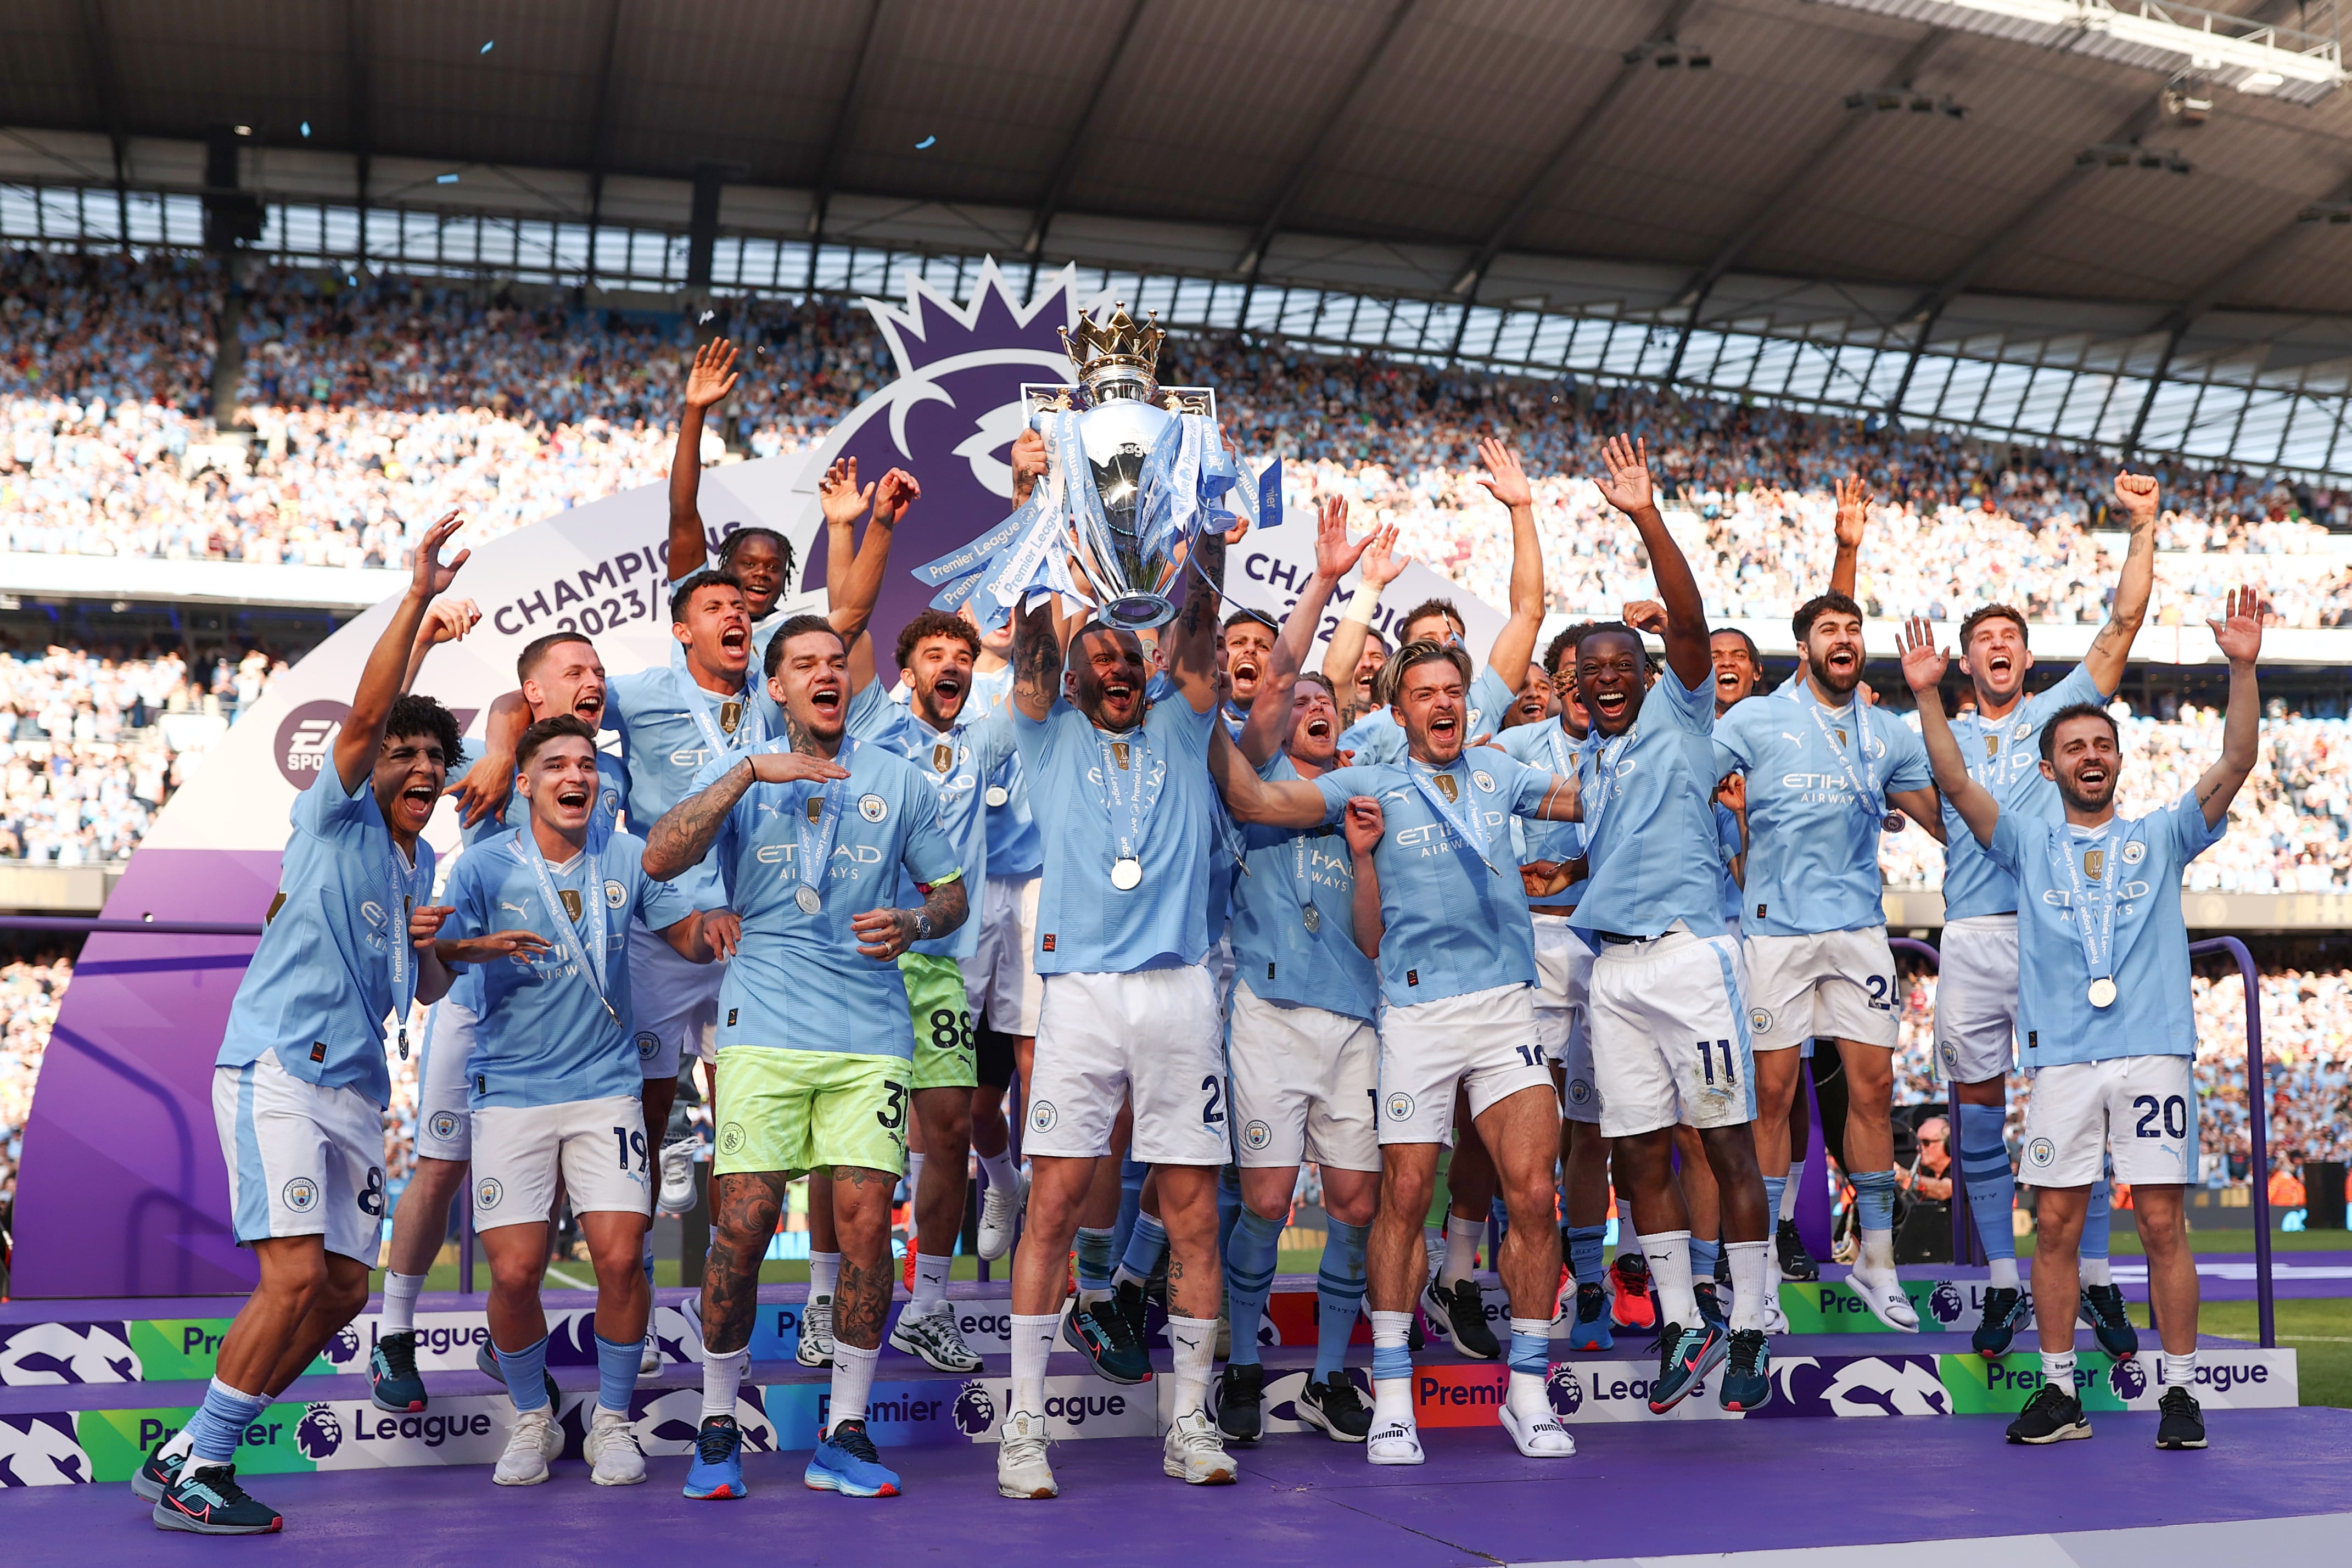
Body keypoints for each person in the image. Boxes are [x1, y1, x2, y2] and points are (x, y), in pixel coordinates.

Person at [147, 513, 471, 1535]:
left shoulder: (420, 861)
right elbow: (373, 716)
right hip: (280, 1069)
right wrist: (415, 603)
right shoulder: (336, 813)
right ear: (370, 768)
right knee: (290, 1277)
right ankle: (203, 1467)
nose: (419, 768)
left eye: (436, 758)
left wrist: (444, 949)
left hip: (357, 1090)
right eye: (402, 757)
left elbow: (423, 990)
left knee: (337, 1292)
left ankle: (189, 1447)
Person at [1212, 629, 1586, 1464]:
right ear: (1399, 711)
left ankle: (1528, 1393)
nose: (1443, 704)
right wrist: (1200, 708)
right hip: (1415, 1015)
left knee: (1533, 1194)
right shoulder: (1368, 783)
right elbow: (1255, 802)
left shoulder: (1500, 773)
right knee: (1404, 1197)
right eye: (1424, 694)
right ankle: (1389, 1397)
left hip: (1506, 1007)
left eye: (1453, 691)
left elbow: (1594, 798)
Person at [1900, 587, 2262, 1452]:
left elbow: (2238, 758)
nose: (2090, 757)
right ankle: (2061, 1392)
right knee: (2056, 1227)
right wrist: (1925, 695)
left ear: (2119, 762)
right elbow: (1955, 782)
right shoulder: (2027, 844)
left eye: (2102, 746)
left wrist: (2243, 669)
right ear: (2049, 769)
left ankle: (2180, 1393)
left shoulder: (2164, 833)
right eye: (2073, 748)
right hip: (2062, 1058)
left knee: (2163, 1224)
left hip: (2153, 1054)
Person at [643, 615, 967, 1502]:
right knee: (744, 1224)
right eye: (805, 664)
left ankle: (846, 1433)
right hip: (763, 1026)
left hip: (870, 1034)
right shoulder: (740, 770)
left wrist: (913, 922)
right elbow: (661, 855)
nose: (827, 672)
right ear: (777, 687)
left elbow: (950, 896)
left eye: (837, 662)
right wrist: (750, 772)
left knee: (866, 1228)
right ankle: (717, 1423)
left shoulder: (898, 779)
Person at [993, 502, 1237, 1499]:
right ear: (1072, 675)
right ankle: (1023, 1426)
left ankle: (1189, 1421)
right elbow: (1029, 648)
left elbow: (1199, 630)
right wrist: (1045, 520)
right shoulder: (1045, 734)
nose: (1119, 666)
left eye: (1130, 654)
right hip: (1082, 995)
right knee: (1052, 1203)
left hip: (1180, 989)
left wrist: (1207, 535)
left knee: (1193, 1215)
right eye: (1099, 655)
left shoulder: (1183, 721)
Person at [434, 715, 729, 1487]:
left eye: (587, 765)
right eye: (558, 765)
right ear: (525, 784)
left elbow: (684, 934)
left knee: (623, 1258)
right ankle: (534, 1417)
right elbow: (435, 968)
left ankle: (614, 1422)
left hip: (606, 1090)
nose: (576, 776)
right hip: (512, 1091)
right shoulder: (483, 867)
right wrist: (466, 948)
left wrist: (715, 926)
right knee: (515, 1275)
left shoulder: (627, 855)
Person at [1564, 436, 1773, 1416]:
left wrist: (1645, 514)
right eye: (1590, 671)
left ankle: (1751, 1324)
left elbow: (1687, 621)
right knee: (1636, 1154)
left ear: (1649, 677)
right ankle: (1685, 1323)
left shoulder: (1683, 717)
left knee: (1725, 1145)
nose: (1606, 679)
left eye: (1621, 666)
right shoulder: (1592, 761)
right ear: (1576, 687)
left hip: (1691, 959)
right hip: (1611, 974)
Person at [1931, 473, 2160, 1359]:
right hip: (1968, 934)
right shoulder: (1935, 731)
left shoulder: (2060, 715)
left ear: (2026, 659)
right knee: (1978, 1111)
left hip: (2052, 932)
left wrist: (2141, 527)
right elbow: (1916, 802)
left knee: (2075, 1104)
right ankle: (2003, 1283)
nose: (1997, 647)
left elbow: (2121, 625)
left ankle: (2095, 1278)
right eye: (1982, 640)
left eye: (2009, 639)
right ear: (1965, 662)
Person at [374, 629, 631, 1413]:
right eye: (574, 671)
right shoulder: (497, 761)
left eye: (599, 670)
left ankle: (507, 1338)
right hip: (478, 1001)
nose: (594, 680)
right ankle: (393, 1333)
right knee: (440, 1165)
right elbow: (499, 707)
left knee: (541, 1189)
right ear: (533, 695)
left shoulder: (608, 769)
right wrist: (495, 742)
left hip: (568, 1017)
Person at [1711, 575, 1944, 1334]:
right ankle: (1760, 1276)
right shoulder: (1755, 718)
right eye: (1829, 630)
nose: (1843, 640)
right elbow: (1688, 785)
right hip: (1775, 932)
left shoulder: (1888, 732)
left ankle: (1877, 1259)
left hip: (1858, 930)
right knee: (1773, 1095)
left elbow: (1942, 820)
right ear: (1803, 647)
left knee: (1873, 1090)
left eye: (1853, 629)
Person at [1215, 498, 1391, 1445]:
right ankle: (1243, 1363)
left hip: (1354, 1019)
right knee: (1266, 1202)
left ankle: (1327, 1377)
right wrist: (1325, 581)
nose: (1315, 708)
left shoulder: (1365, 800)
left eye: (1330, 703)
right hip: (1270, 1015)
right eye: (1302, 704)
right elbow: (1282, 675)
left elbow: (1373, 938)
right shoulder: (1250, 783)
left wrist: (1364, 858)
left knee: (1356, 1205)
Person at [845, 608, 1017, 1374]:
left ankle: (929, 1307)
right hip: (863, 961)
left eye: (962, 656)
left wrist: (1046, 566)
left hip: (942, 960)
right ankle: (825, 1299)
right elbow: (851, 621)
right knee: (853, 1143)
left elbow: (1039, 685)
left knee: (949, 1133)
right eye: (934, 654)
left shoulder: (983, 739)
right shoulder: (874, 726)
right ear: (906, 671)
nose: (951, 665)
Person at [1496, 626, 1610, 1348]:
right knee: (1535, 1127)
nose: (1577, 685)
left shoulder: (1626, 745)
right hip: (1534, 941)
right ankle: (1538, 1279)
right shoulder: (1515, 747)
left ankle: (1591, 1276)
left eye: (1588, 674)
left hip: (1604, 945)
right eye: (1566, 673)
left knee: (1593, 1127)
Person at [1324, 437, 1545, 763]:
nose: (1446, 645)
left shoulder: (1484, 699)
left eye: (1453, 637)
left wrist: (1522, 510)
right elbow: (1336, 677)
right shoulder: (1385, 724)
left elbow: (1528, 614)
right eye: (1429, 640)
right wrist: (1370, 587)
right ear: (1403, 656)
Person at [1220, 607, 1279, 734]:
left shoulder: (1289, 733)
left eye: (1263, 647)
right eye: (1238, 643)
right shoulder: (1187, 715)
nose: (1251, 649)